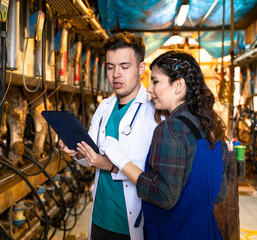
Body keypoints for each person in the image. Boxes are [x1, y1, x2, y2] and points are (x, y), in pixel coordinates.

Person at [92, 50, 228, 240]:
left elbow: (163, 197)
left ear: (178, 85)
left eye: (155, 81)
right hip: (207, 231)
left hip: (175, 232)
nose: (149, 88)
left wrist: (121, 161)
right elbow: (219, 195)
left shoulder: (171, 129)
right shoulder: (211, 127)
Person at [60, 32, 158, 240]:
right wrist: (76, 153)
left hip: (131, 221)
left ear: (141, 69)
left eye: (124, 67)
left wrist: (109, 165)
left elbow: (154, 177)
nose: (116, 75)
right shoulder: (105, 107)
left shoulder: (154, 111)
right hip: (100, 218)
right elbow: (90, 157)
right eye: (110, 67)